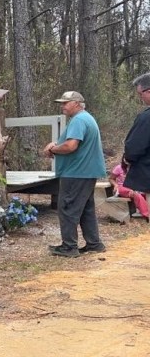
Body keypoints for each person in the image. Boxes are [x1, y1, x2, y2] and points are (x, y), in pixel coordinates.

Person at [42, 91, 106, 257]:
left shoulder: (78, 120)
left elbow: (71, 146)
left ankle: (69, 247)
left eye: (66, 103)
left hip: (77, 172)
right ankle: (94, 243)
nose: (62, 106)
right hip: (87, 171)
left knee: (67, 208)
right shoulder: (86, 118)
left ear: (77, 103)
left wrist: (53, 149)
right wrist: (56, 143)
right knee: (86, 209)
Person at [123, 72, 150, 212]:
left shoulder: (146, 117)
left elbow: (134, 148)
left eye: (141, 94)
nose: (141, 98)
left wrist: (127, 159)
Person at [108, 156, 148, 222]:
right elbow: (111, 179)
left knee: (144, 194)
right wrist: (115, 185)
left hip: (134, 187)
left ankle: (144, 211)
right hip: (122, 188)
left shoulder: (136, 168)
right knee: (135, 194)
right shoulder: (119, 168)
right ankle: (147, 214)